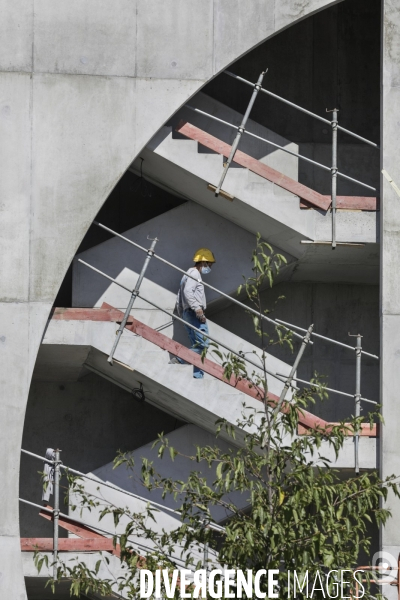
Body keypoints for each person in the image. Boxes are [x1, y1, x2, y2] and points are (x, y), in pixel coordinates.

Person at [170, 248, 216, 378]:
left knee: (197, 347)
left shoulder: (187, 274)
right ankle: (179, 360)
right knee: (203, 345)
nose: (210, 267)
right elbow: (188, 293)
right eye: (210, 264)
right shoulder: (194, 273)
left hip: (188, 313)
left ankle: (197, 376)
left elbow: (180, 295)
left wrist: (183, 314)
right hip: (193, 313)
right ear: (203, 262)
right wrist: (198, 310)